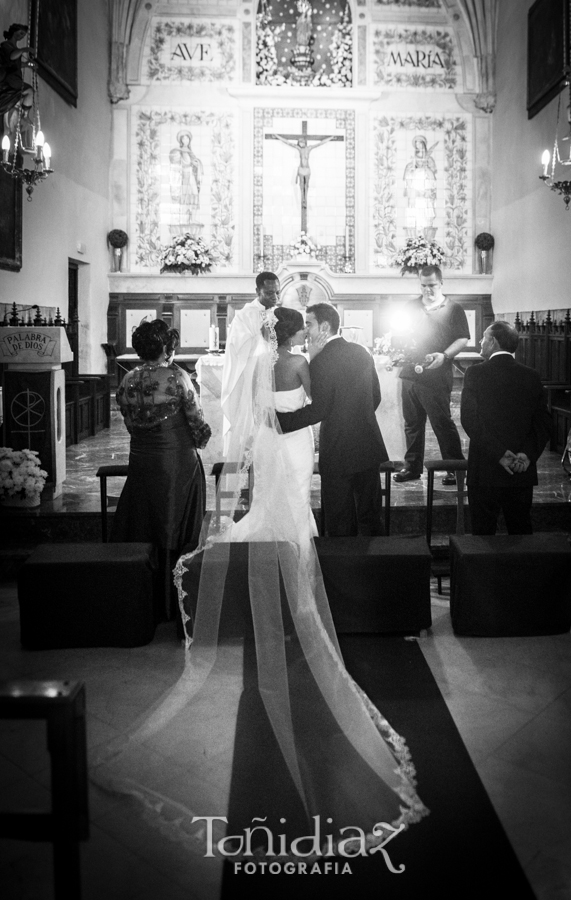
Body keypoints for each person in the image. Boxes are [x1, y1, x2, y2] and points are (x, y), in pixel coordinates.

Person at [92, 299, 427, 870]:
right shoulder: (300, 366)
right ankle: (299, 558)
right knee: (295, 502)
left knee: (272, 501)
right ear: (303, 332)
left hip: (263, 447)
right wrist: (301, 418)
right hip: (292, 444)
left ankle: (266, 551)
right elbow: (314, 409)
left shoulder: (252, 366)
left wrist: (273, 421)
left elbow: (248, 413)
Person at [110, 319, 211, 618]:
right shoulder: (177, 377)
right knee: (177, 527)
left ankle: (145, 598)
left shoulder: (127, 380)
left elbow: (131, 425)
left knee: (146, 523)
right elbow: (198, 425)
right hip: (176, 463)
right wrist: (199, 440)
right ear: (167, 346)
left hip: (141, 461)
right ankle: (176, 602)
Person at [277, 302, 388, 536]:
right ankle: (376, 567)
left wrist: (282, 422)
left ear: (324, 326)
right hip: (368, 443)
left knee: (339, 520)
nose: (305, 329)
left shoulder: (320, 360)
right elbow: (375, 396)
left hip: (337, 448)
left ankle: (342, 570)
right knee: (370, 516)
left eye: (309, 323)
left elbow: (319, 410)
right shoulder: (362, 351)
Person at [229, 306, 318, 543]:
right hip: (296, 440)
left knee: (267, 495)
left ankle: (267, 542)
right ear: (290, 334)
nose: (305, 332)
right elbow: (315, 399)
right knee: (297, 493)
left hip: (266, 438)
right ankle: (297, 544)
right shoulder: (299, 362)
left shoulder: (257, 363)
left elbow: (255, 406)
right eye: (302, 328)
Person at [460, 321, 552, 535]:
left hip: (486, 468)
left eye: (483, 337)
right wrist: (527, 456)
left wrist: (500, 454)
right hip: (520, 469)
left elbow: (470, 420)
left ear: (492, 342)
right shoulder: (531, 375)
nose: (481, 342)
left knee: (483, 534)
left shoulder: (475, 373)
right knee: (520, 531)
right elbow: (543, 422)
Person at [393, 265, 469, 486]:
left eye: (432, 285)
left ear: (441, 282)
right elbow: (400, 334)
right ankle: (412, 467)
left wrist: (444, 355)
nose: (427, 290)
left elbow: (462, 338)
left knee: (442, 423)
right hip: (410, 373)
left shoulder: (454, 309)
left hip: (437, 374)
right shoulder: (410, 306)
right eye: (424, 285)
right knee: (412, 423)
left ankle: (454, 468)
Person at [220, 270, 281, 453]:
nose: (275, 297)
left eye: (278, 292)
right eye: (270, 293)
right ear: (258, 291)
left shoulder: (280, 313)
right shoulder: (245, 315)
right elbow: (238, 348)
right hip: (250, 376)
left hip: (275, 374)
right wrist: (260, 334)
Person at [271, 133, 335, 207]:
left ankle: (305, 200)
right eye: (299, 142)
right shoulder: (298, 149)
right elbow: (287, 142)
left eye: (302, 142)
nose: (301, 143)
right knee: (301, 185)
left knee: (306, 186)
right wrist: (277, 137)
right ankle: (303, 200)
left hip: (307, 170)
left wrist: (331, 138)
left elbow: (320, 143)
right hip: (301, 169)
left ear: (305, 142)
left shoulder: (309, 148)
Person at [0, 23, 34, 117]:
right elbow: (12, 57)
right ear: (14, 31)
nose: (21, 36)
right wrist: (25, 49)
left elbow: (16, 64)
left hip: (14, 78)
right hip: (10, 79)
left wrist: (27, 64)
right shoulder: (7, 45)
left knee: (28, 92)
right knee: (29, 91)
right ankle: (25, 116)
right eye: (20, 32)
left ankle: (24, 116)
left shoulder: (15, 49)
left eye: (23, 35)